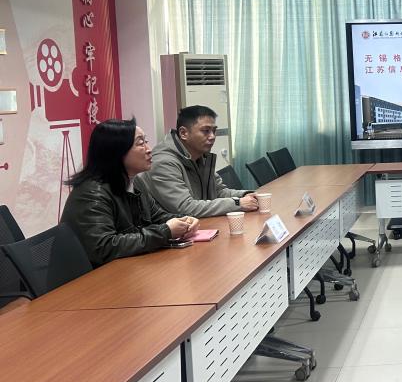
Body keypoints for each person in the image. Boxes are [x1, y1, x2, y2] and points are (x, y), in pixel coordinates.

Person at [61, 118, 198, 267]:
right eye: (140, 143)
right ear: (117, 151)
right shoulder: (92, 193)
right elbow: (104, 248)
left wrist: (184, 221)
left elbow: (157, 216)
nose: (149, 149)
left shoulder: (135, 182)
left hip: (128, 268)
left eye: (146, 141)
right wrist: (165, 231)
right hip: (97, 276)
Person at [139, 105, 256, 217]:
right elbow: (185, 208)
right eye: (206, 131)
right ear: (183, 133)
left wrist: (246, 195)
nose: (212, 136)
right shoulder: (163, 162)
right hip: (175, 229)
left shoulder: (199, 156)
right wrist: (237, 203)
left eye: (214, 131)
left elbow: (219, 192)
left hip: (199, 224)